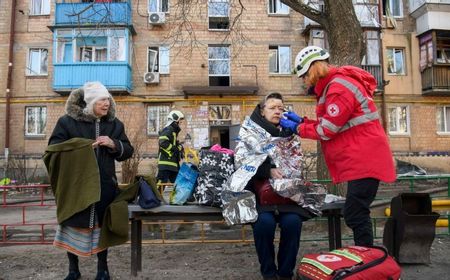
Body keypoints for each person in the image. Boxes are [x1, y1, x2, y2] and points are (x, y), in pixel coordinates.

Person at [280, 46, 396, 247]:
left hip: (365, 160)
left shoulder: (338, 89)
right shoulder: (334, 86)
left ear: (313, 70)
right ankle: (367, 257)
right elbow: (331, 124)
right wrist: (303, 122)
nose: (304, 81)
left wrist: (298, 128)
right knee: (356, 211)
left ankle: (368, 259)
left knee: (355, 213)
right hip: (364, 158)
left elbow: (327, 130)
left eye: (304, 76)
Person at [47, 81, 134, 280]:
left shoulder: (114, 124)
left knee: (101, 229)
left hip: (104, 187)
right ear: (90, 102)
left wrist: (114, 144)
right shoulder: (67, 122)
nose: (107, 104)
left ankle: (102, 270)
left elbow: (127, 151)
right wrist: (82, 147)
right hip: (75, 186)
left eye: (108, 100)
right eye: (102, 100)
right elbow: (53, 148)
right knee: (73, 224)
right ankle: (73, 270)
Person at [244, 93, 311, 280]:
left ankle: (285, 274)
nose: (277, 111)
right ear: (262, 110)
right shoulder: (250, 132)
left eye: (281, 108)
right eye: (272, 107)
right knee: (264, 225)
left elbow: (297, 163)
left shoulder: (290, 133)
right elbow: (242, 163)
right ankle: (269, 274)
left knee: (292, 223)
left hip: (287, 197)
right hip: (261, 196)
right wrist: (268, 170)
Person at [157, 110, 184, 184]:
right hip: (166, 163)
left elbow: (171, 143)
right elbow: (163, 142)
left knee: (177, 186)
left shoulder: (173, 131)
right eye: (180, 121)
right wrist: (175, 149)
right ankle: (154, 196)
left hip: (172, 164)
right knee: (160, 186)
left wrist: (179, 147)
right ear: (175, 120)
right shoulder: (168, 129)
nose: (180, 123)